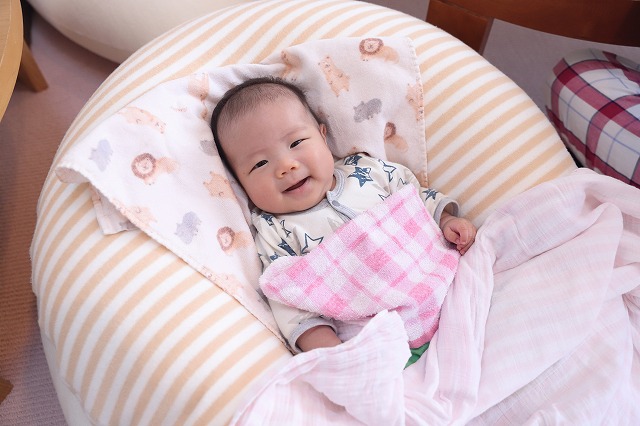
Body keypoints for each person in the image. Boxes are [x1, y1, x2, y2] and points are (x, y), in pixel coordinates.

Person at [211, 76, 477, 354]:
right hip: (376, 335)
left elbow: (416, 197)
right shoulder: (273, 230)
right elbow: (289, 296)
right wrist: (326, 346)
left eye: (296, 142)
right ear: (239, 182)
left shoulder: (366, 170)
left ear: (323, 137)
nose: (286, 166)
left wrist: (446, 221)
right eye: (260, 163)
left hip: (445, 285)